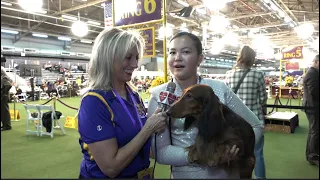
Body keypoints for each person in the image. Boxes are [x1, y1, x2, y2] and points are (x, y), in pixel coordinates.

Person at [148, 32, 264, 179]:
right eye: (172, 52)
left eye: (186, 52)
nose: (177, 57)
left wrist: (238, 149)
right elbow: (161, 152)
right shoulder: (159, 95)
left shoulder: (219, 88)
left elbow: (256, 126)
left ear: (200, 59)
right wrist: (204, 155)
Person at [77, 28, 167, 178]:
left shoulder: (133, 95)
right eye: (128, 57)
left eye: (137, 57)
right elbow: (111, 168)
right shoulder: (93, 102)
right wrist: (148, 129)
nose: (135, 64)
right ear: (108, 57)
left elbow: (145, 146)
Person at [226, 45, 268, 179]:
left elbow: (226, 100)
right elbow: (263, 98)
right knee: (257, 153)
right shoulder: (258, 74)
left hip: (234, 122)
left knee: (235, 153)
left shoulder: (229, 74)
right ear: (253, 59)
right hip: (254, 122)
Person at [303, 54, 319, 167]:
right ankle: (312, 156)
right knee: (315, 131)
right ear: (317, 62)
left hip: (312, 106)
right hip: (312, 106)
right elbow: (314, 92)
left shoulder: (313, 73)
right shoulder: (312, 74)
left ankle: (311, 154)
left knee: (313, 131)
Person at [1, 66, 13, 131]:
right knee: (3, 111)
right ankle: (4, 125)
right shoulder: (2, 77)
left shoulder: (4, 77)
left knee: (5, 111)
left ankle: (7, 125)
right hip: (3, 96)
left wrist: (4, 92)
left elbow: (9, 85)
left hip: (4, 96)